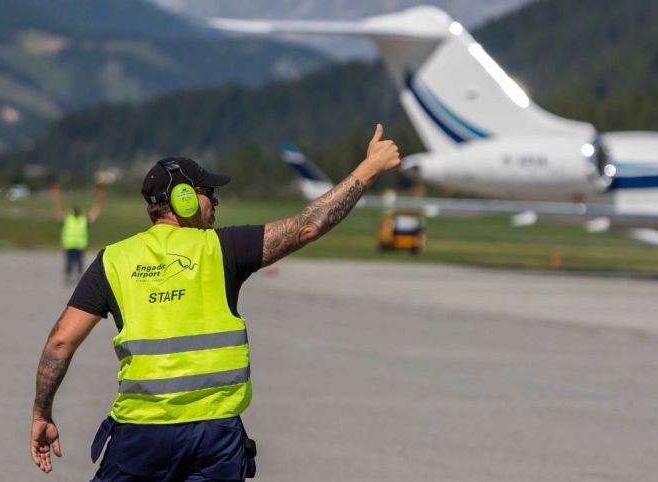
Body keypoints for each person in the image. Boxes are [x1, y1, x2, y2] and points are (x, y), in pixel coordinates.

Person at [30, 124, 400, 481]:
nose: (216, 199)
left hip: (141, 434)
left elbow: (61, 341)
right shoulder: (221, 250)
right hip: (214, 438)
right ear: (183, 199)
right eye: (207, 190)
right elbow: (307, 225)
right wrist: (369, 169)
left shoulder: (113, 260)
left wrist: (41, 411)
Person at [51, 184, 106, 284]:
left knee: (79, 263)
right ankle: (68, 276)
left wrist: (100, 198)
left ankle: (78, 278)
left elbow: (95, 212)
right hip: (70, 245)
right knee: (69, 263)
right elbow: (57, 211)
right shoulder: (68, 218)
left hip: (80, 246)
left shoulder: (83, 219)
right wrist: (55, 197)